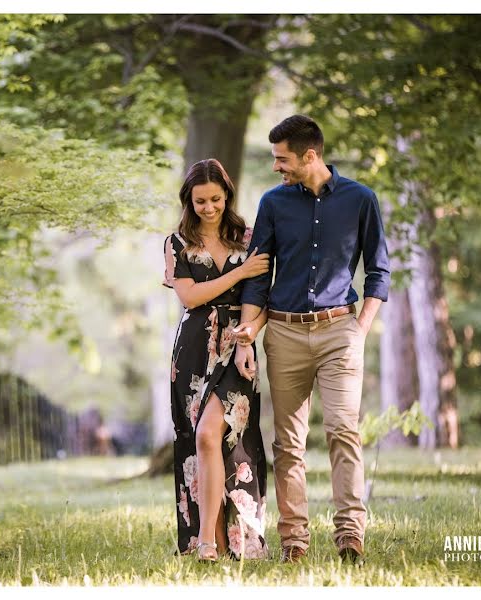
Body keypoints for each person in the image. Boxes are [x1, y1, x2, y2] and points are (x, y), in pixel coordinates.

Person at [234, 115, 390, 564]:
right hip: (283, 332)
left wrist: (359, 329)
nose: (277, 168)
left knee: (344, 431)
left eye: (282, 159)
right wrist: (248, 336)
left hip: (341, 329)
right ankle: (295, 542)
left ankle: (350, 536)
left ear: (310, 155)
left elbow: (379, 271)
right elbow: (259, 275)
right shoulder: (273, 203)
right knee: (289, 443)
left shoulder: (361, 200)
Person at [162, 158, 271, 561]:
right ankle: (208, 542)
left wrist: (251, 333)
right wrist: (238, 275)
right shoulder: (177, 242)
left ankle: (218, 539)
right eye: (200, 201)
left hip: (238, 344)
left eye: (216, 199)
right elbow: (190, 296)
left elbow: (261, 300)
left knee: (219, 437)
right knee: (201, 440)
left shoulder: (250, 237)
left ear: (227, 195)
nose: (208, 208)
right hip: (194, 349)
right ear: (188, 201)